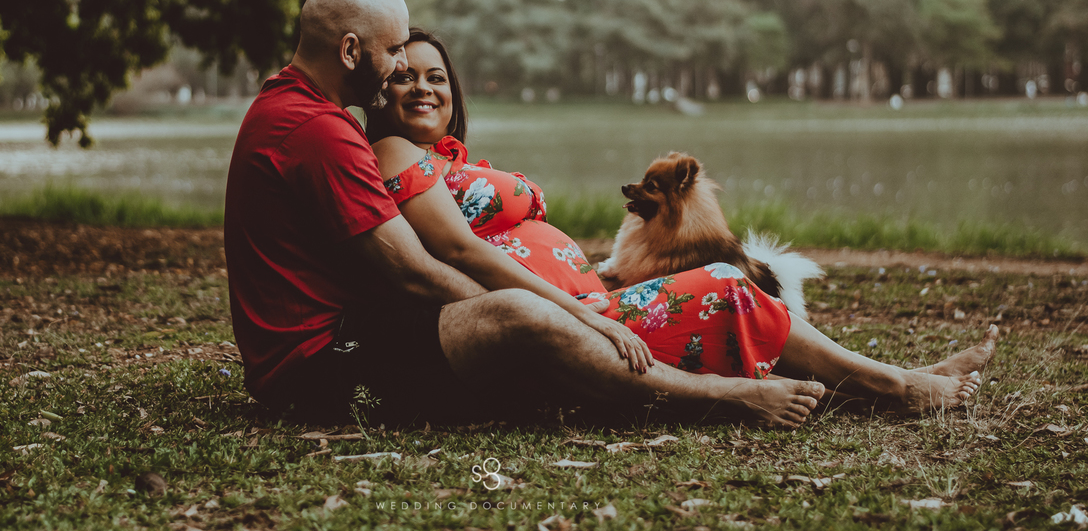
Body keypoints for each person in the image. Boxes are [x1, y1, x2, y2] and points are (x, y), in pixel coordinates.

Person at [227, 0, 828, 429]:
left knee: (686, 293)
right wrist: (543, 315)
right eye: (392, 57)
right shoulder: (317, 129)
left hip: (350, 336)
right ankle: (731, 397)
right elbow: (413, 272)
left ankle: (877, 384)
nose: (397, 72)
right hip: (318, 365)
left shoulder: (295, 111)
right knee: (524, 318)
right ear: (351, 50)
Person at [363, 28, 998, 418]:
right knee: (723, 284)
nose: (423, 87)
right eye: (405, 76)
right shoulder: (394, 151)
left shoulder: (445, 160)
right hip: (569, 321)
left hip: (587, 307)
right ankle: (898, 385)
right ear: (380, 92)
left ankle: (892, 383)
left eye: (437, 76)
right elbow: (462, 250)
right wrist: (583, 311)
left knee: (726, 286)